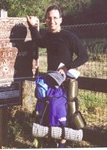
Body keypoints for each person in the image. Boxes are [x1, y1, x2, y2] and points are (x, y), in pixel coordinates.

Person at [27, 5, 88, 148]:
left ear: (61, 20)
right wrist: (33, 27)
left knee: (62, 112)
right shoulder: (48, 36)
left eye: (55, 18)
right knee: (47, 110)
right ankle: (49, 141)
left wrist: (67, 68)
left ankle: (62, 144)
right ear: (46, 20)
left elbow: (84, 56)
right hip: (50, 81)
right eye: (49, 18)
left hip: (65, 83)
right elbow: (39, 41)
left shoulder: (69, 37)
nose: (52, 21)